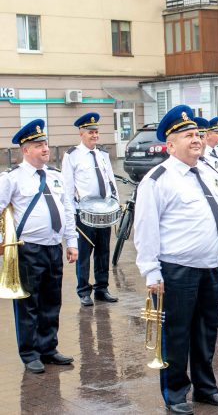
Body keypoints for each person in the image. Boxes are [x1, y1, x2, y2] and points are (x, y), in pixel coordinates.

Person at [134, 105, 218, 414]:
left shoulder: (209, 171)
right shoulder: (157, 179)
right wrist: (152, 273)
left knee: (207, 333)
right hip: (176, 270)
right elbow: (146, 230)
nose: (196, 139)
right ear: (170, 143)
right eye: (187, 135)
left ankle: (206, 388)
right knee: (176, 334)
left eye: (197, 134)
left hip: (210, 267)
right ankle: (175, 393)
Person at [0, 119, 78, 373]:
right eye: (38, 145)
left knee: (52, 301)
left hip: (53, 248)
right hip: (27, 249)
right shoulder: (12, 178)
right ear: (25, 150)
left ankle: (48, 348)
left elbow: (67, 210)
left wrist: (72, 242)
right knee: (28, 303)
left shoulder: (55, 176)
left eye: (45, 144)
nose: (45, 149)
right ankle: (29, 352)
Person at [61, 112, 118, 307]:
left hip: (104, 212)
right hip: (84, 213)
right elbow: (67, 189)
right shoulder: (72, 156)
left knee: (103, 251)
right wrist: (71, 214)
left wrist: (115, 201)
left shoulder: (102, 154)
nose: (95, 135)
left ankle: (102, 288)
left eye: (96, 132)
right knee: (84, 254)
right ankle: (84, 291)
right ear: (81, 134)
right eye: (91, 132)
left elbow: (110, 180)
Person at [194, 116, 218, 330]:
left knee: (215, 278)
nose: (198, 140)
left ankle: (212, 316)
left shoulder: (212, 163)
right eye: (194, 135)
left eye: (200, 135)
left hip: (217, 236)